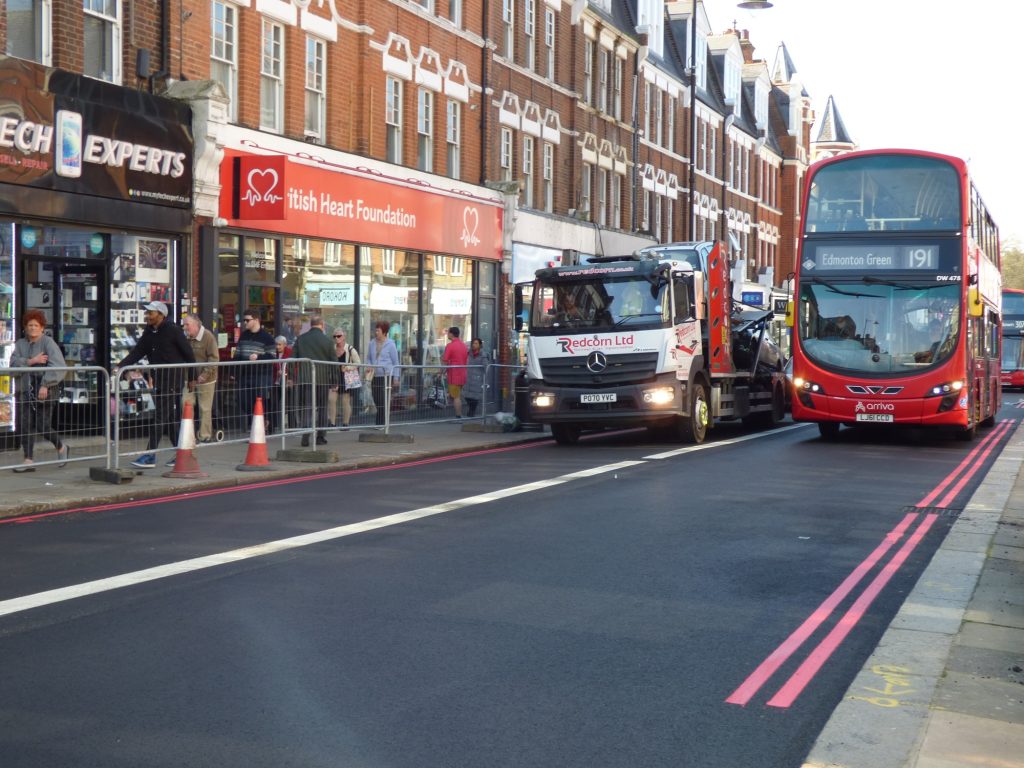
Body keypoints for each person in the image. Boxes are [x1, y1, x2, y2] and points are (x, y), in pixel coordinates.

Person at [114, 301, 195, 468]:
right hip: (159, 380)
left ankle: (150, 454)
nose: (148, 315)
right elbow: (138, 352)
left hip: (173, 380)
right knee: (171, 418)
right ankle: (181, 453)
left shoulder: (173, 330)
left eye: (151, 312)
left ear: (161, 315)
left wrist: (193, 378)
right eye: (147, 312)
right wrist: (120, 365)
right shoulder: (149, 331)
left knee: (160, 416)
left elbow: (189, 354)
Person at [10, 309, 68, 472]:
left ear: (42, 327)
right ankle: (28, 459)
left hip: (45, 390)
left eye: (36, 325)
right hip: (25, 390)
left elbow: (58, 366)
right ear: (25, 327)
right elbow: (12, 365)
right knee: (24, 425)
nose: (32, 328)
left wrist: (45, 384)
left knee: (43, 425)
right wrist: (31, 361)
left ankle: (61, 446)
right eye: (30, 325)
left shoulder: (48, 343)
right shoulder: (20, 344)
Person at [291, 314, 338, 446]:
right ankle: (320, 437)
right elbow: (334, 362)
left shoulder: (301, 339)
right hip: (322, 379)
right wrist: (335, 381)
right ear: (322, 325)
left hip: (305, 379)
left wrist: (291, 377)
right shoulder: (328, 341)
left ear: (311, 325)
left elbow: (292, 359)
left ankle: (305, 436)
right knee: (322, 408)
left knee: (307, 408)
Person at [233, 309, 276, 436]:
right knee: (242, 400)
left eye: (247, 320)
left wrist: (259, 357)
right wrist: (233, 371)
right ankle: (260, 423)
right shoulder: (244, 335)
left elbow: (272, 356)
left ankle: (257, 429)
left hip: (261, 375)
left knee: (258, 401)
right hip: (245, 374)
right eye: (244, 320)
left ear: (256, 320)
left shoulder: (267, 338)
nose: (245, 322)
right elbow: (238, 354)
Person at [182, 314, 218, 443]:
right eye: (184, 324)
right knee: (186, 404)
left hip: (206, 379)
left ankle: (205, 435)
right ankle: (188, 433)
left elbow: (214, 358)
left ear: (196, 325)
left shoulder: (208, 337)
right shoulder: (186, 337)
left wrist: (205, 374)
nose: (185, 327)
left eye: (187, 325)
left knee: (205, 407)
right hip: (189, 378)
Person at [365, 320, 400, 427]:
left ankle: (381, 423)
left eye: (378, 330)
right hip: (375, 375)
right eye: (375, 330)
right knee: (376, 398)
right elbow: (369, 358)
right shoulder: (372, 343)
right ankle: (381, 422)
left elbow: (396, 362)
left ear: (384, 332)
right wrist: (369, 365)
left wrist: (396, 377)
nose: (376, 332)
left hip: (387, 375)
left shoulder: (391, 345)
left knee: (384, 399)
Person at [329, 328, 361, 429]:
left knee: (345, 401)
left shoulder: (350, 349)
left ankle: (345, 423)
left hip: (346, 377)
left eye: (339, 336)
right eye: (334, 336)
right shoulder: (332, 348)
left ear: (344, 337)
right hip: (334, 377)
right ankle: (332, 423)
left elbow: (358, 363)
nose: (336, 338)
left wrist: (347, 367)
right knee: (331, 399)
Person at [442, 326, 469, 418]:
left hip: (454, 375)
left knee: (456, 396)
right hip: (462, 374)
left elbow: (445, 360)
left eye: (448, 332)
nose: (447, 334)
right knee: (457, 395)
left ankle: (458, 415)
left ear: (451, 334)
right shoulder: (464, 345)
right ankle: (457, 414)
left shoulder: (450, 346)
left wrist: (441, 371)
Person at [272, 335, 294, 432]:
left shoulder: (290, 352)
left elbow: (294, 367)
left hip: (287, 381)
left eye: (279, 345)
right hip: (276, 382)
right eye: (276, 345)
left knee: (289, 404)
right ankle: (273, 426)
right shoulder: (274, 354)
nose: (277, 347)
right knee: (274, 403)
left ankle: (292, 426)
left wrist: (290, 377)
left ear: (285, 345)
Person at [463, 337, 486, 418]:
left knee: (475, 396)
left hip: (477, 377)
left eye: (476, 343)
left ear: (480, 345)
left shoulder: (483, 355)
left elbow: (486, 366)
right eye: (473, 343)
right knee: (466, 395)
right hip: (468, 376)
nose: (474, 345)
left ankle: (472, 411)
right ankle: (471, 409)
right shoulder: (468, 353)